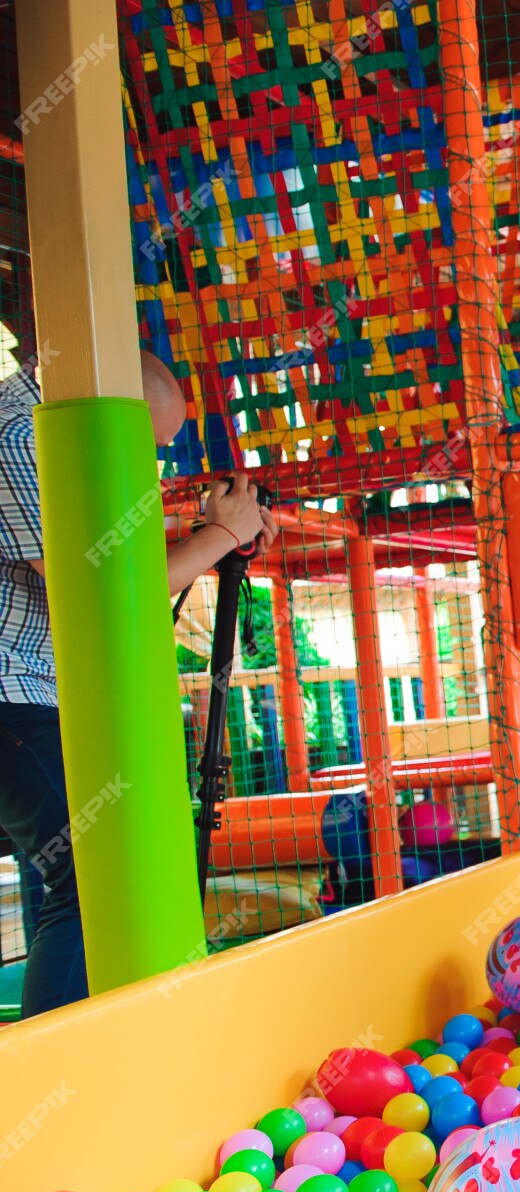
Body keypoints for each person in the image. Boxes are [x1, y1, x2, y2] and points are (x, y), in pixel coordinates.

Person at [0, 348, 277, 1015]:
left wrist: (219, 536)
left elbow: (113, 565)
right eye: (151, 447)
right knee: (93, 882)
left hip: (41, 696)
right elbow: (98, 597)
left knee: (78, 876)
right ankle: (65, 1072)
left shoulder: (53, 438)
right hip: (14, 698)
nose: (153, 466)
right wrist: (217, 534)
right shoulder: (17, 439)